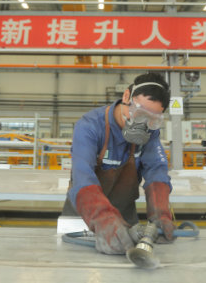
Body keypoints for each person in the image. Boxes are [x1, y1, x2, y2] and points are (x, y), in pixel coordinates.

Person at [62, 72, 176, 255]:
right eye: (139, 113)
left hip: (126, 221)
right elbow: (82, 176)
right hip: (83, 219)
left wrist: (160, 213)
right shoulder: (90, 126)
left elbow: (156, 170)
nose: (143, 124)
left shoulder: (149, 134)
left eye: (152, 119)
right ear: (126, 97)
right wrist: (103, 219)